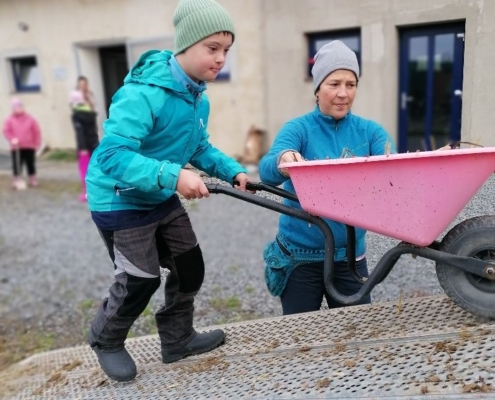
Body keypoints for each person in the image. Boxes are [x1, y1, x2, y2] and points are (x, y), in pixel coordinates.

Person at [85, 0, 251, 382]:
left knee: (189, 266)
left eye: (226, 50)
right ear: (185, 46)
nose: (221, 58)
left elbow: (198, 148)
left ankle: (177, 340)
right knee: (140, 278)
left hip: (158, 193)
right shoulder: (144, 94)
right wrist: (174, 177)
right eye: (212, 48)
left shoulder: (197, 99)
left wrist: (233, 171)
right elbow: (111, 155)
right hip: (119, 199)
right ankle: (106, 339)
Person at [259, 40, 395, 316]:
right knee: (301, 336)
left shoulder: (370, 132)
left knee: (356, 331)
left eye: (350, 84)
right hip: (299, 258)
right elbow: (266, 170)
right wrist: (284, 160)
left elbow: (393, 171)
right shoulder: (299, 129)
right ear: (318, 87)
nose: (343, 93)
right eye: (334, 84)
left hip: (349, 259)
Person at [69, 76, 99, 202]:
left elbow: (92, 125)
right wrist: (83, 147)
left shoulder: (89, 101)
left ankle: (95, 190)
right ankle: (87, 190)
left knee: (94, 166)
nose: (83, 87)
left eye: (84, 84)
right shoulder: (77, 113)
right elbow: (79, 131)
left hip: (92, 140)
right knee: (85, 167)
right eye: (80, 85)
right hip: (85, 144)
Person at [3, 98, 42, 189]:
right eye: (16, 107)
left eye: (20, 106)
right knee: (17, 164)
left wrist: (37, 143)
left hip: (29, 146)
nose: (18, 108)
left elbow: (36, 131)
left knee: (30, 163)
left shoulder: (30, 119)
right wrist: (12, 139)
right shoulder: (9, 120)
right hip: (16, 147)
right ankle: (17, 179)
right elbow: (6, 131)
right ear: (12, 108)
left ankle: (32, 178)